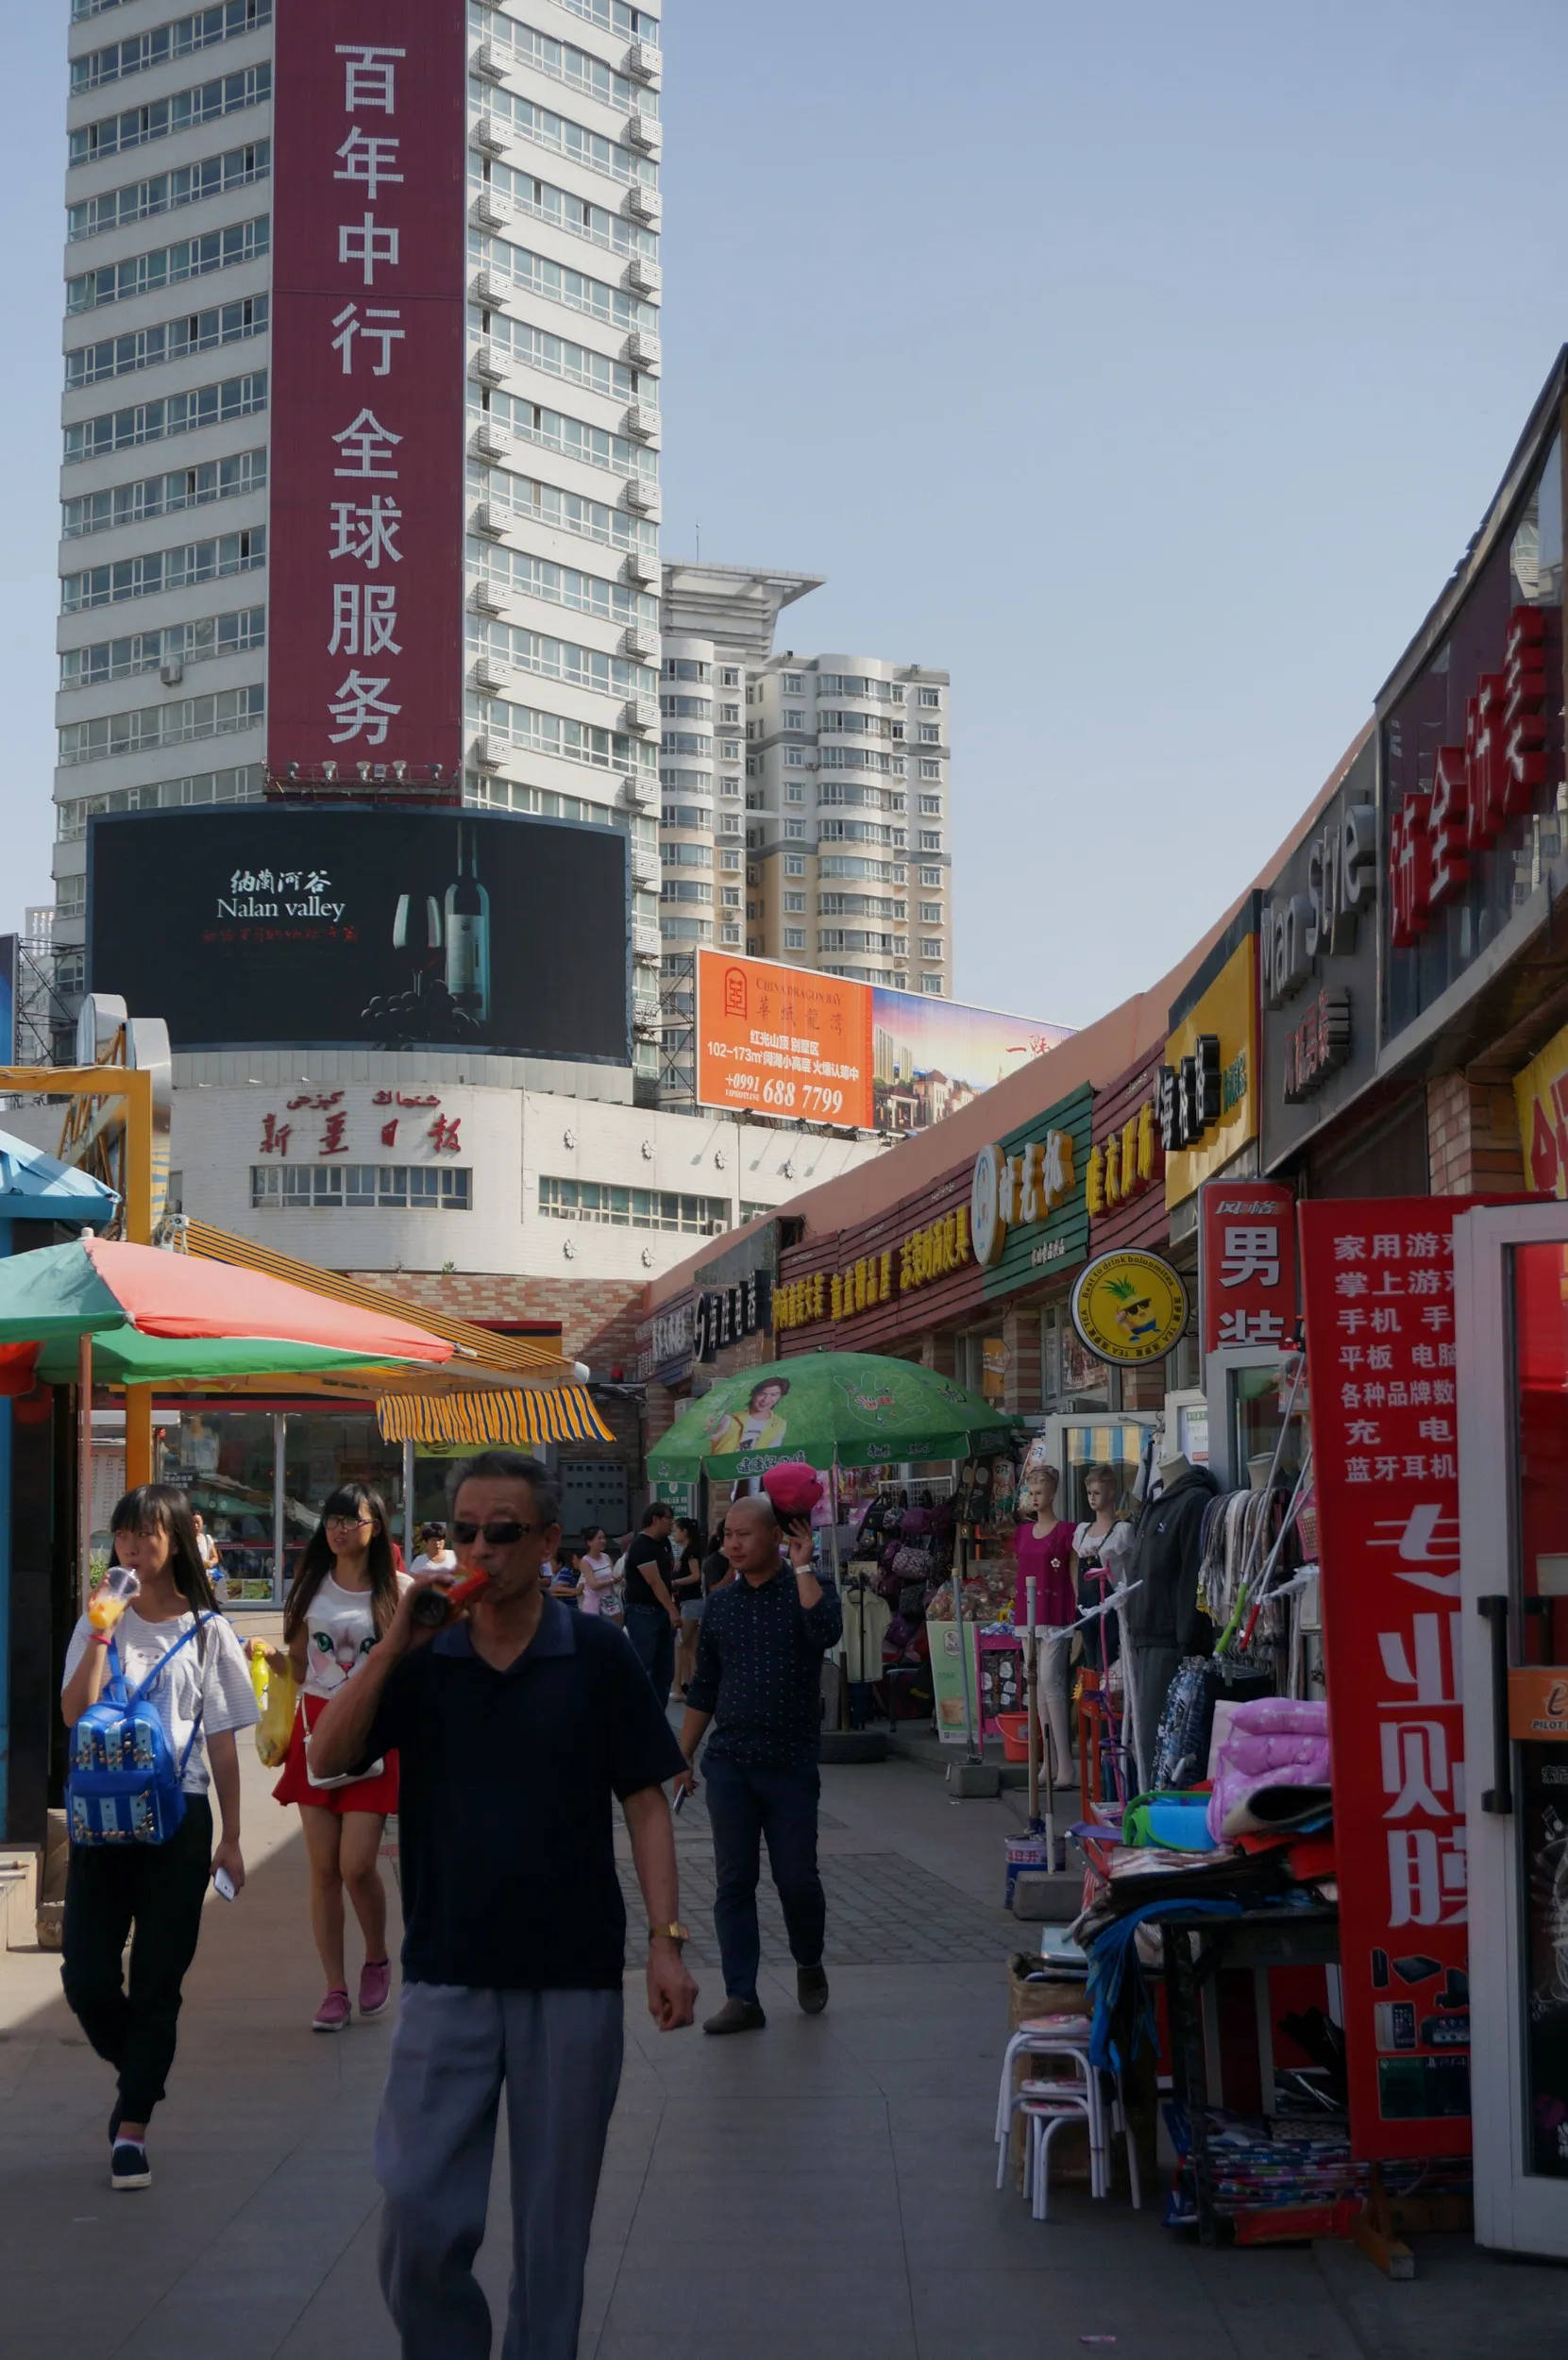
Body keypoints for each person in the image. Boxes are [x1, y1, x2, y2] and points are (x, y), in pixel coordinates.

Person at [307, 1450, 697, 2360]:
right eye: (465, 1530)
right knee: (415, 2214)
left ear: (548, 1541)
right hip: (448, 1969)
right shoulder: (426, 1649)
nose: (481, 1547)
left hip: (572, 1978)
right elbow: (326, 1757)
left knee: (554, 2238)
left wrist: (667, 1943)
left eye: (504, 1532)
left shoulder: (594, 1653)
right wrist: (396, 1642)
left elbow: (646, 1801)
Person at [59, 1484, 259, 2192]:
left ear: (176, 1539)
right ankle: (141, 2069)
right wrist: (101, 1634)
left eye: (147, 1535)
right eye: (123, 1537)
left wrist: (234, 1838)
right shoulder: (97, 1620)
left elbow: (224, 1743)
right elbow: (71, 1713)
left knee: (158, 1981)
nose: (134, 1549)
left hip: (180, 1816)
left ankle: (133, 2126)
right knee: (84, 1975)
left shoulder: (209, 1630)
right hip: (100, 1821)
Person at [677, 1492, 842, 2034]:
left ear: (777, 1536)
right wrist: (681, 1756)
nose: (733, 1544)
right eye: (727, 1535)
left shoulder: (808, 1592)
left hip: (790, 1762)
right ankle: (741, 1996)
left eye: (744, 1534)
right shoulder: (721, 1604)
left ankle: (808, 1958)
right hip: (730, 1763)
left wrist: (803, 1566)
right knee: (734, 1881)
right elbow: (705, 1687)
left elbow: (827, 1633)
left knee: (796, 1879)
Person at [261, 1484, 409, 2032]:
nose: (339, 1529)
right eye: (332, 1519)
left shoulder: (401, 1590)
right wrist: (273, 1664)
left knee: (357, 1865)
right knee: (323, 1872)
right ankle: (335, 1989)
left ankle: (375, 1955)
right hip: (315, 1733)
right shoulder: (309, 1587)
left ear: (376, 1527)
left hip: (372, 1734)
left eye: (352, 1519)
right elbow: (298, 1667)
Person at [1012, 1463, 1078, 1786]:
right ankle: (1049, 1762)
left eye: (1040, 1492)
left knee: (1052, 1680)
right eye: (1031, 1493)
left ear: (1053, 1493)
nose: (1035, 1498)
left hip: (1056, 1613)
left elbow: (1073, 1575)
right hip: (1028, 1613)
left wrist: (1078, 1616)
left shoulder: (1066, 1532)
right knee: (1036, 1683)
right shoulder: (1023, 1533)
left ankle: (1065, 1764)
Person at [622, 1499, 681, 1704]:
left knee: (664, 1673)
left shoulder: (663, 1543)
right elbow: (654, 1581)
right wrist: (673, 1610)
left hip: (662, 1611)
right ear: (655, 1519)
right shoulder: (641, 1545)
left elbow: (668, 1572)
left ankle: (658, 1722)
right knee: (641, 1666)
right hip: (643, 1612)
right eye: (668, 1519)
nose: (671, 1524)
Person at [708, 1374, 791, 1456]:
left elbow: (771, 1454)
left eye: (773, 1395)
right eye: (762, 1393)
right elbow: (707, 1435)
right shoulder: (729, 1420)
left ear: (780, 1397)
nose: (766, 1400)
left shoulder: (779, 1424)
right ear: (753, 1393)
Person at [671, 1515, 706, 1697]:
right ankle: (692, 1685)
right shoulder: (686, 1551)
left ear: (685, 1532)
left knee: (681, 1643)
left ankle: (680, 1686)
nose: (674, 1533)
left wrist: (676, 1582)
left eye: (676, 1529)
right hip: (691, 1601)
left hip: (691, 1602)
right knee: (690, 1646)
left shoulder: (691, 1551)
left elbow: (695, 1576)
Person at [576, 1527, 619, 1620]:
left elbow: (613, 1575)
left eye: (604, 1538)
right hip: (593, 1605)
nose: (603, 1541)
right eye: (599, 1538)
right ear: (589, 1542)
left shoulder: (606, 1557)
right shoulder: (585, 1561)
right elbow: (593, 1585)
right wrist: (612, 1580)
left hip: (609, 1603)